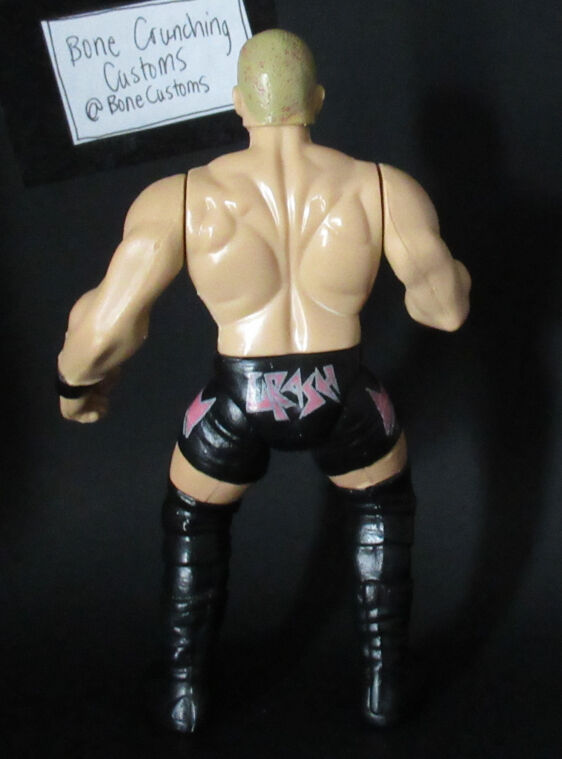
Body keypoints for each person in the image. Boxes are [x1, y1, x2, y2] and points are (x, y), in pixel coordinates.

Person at [57, 29, 470, 733]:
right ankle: (385, 688)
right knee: (382, 508)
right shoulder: (378, 187)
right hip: (345, 394)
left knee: (194, 517)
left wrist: (76, 386)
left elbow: (106, 327)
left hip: (236, 400)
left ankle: (185, 693)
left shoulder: (183, 197)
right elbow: (446, 310)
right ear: (318, 100)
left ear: (239, 105)